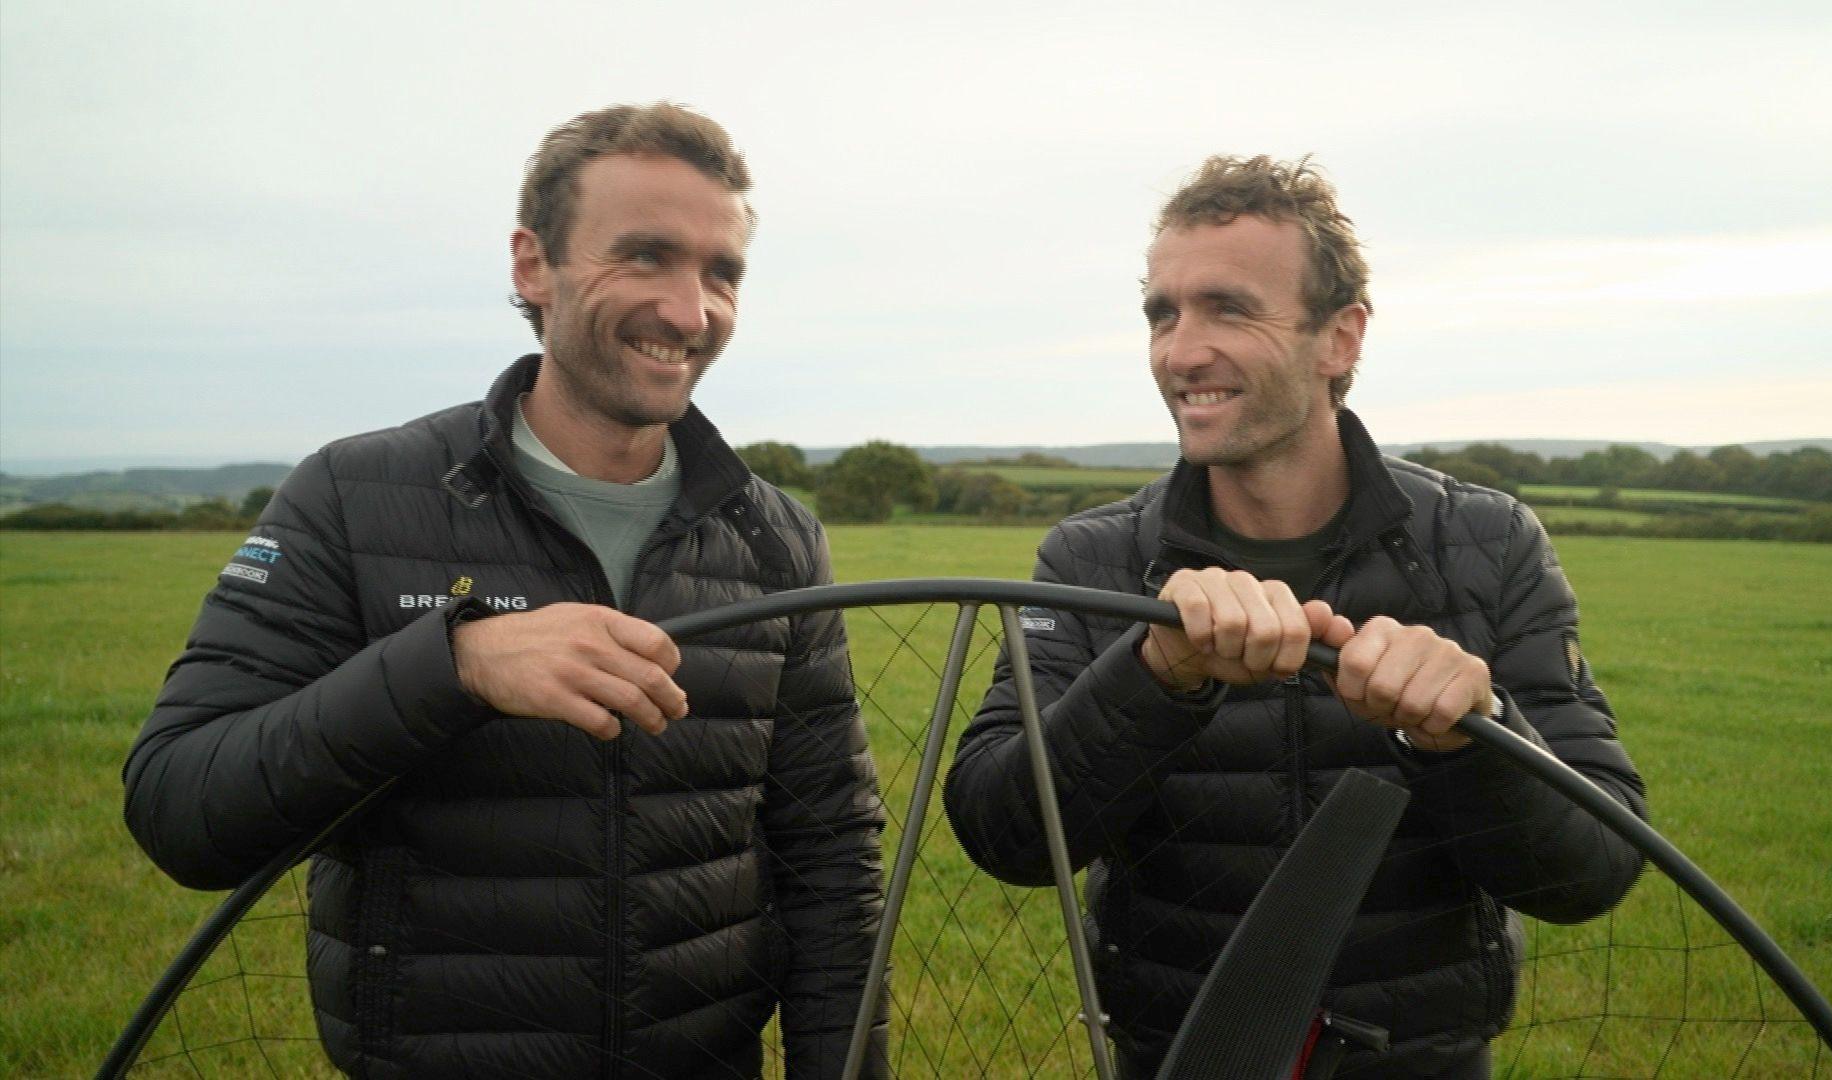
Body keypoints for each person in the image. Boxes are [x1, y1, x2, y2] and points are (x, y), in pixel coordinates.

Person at [124, 104, 886, 1080]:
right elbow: (182, 808)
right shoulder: (354, 498)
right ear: (533, 265)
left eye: (721, 272)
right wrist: (457, 663)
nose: (692, 312)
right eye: (646, 256)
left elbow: (829, 853)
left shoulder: (775, 538)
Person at [943, 156, 1647, 1078]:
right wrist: (1155, 674)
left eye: (1228, 308)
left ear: (1340, 338)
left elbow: (1593, 867)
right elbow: (1005, 834)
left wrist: (1468, 737)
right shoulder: (1092, 559)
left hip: (1419, 1061)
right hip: (1178, 1055)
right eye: (1163, 312)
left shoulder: (1484, 543)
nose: (1180, 350)